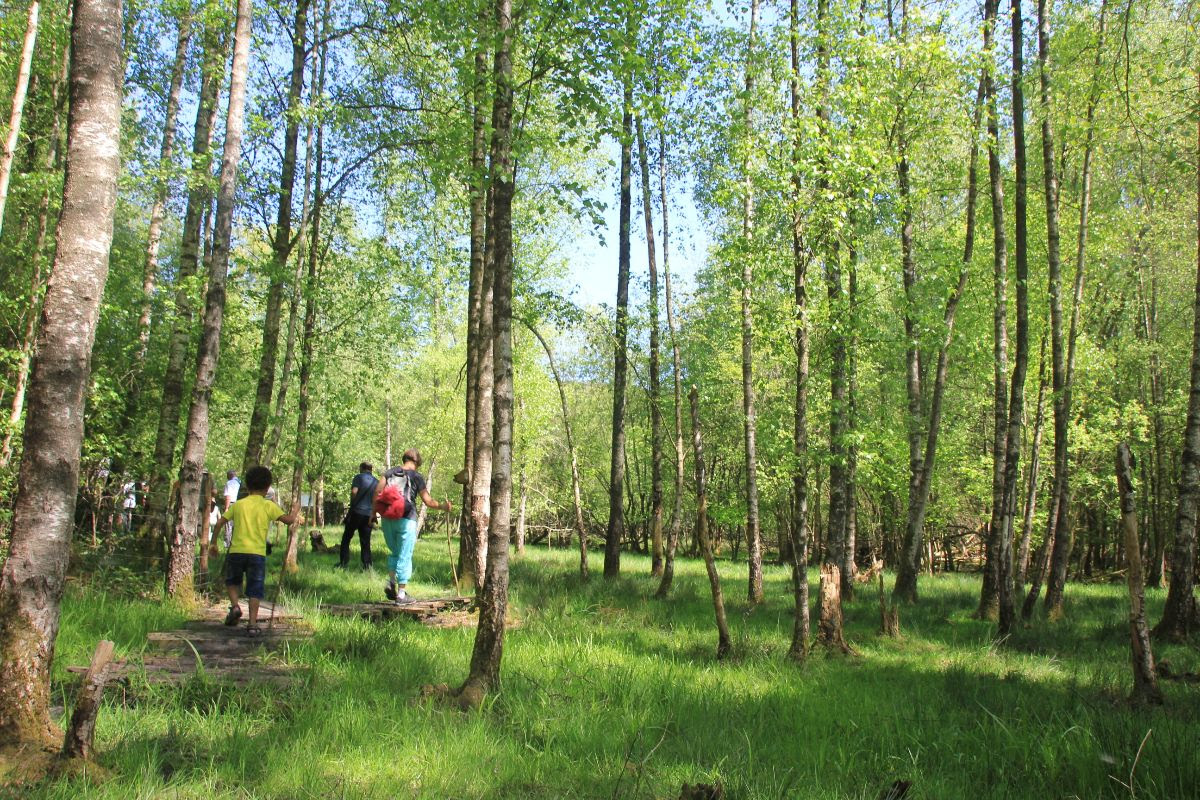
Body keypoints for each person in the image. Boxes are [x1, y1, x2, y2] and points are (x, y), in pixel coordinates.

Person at [219, 465, 302, 636]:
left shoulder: (239, 505)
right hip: (257, 553)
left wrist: (211, 544)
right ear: (267, 488)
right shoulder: (268, 506)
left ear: (247, 486)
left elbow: (221, 522)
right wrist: (295, 510)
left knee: (232, 582)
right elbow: (288, 520)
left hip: (236, 551)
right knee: (255, 588)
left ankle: (235, 606)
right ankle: (252, 624)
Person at [380, 448, 451, 604]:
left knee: (395, 552)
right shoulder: (417, 477)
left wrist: (373, 514)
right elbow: (427, 501)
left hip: (387, 518)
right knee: (405, 554)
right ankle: (401, 594)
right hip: (407, 519)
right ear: (417, 463)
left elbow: (377, 492)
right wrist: (443, 506)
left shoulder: (389, 473)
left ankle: (391, 582)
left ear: (404, 459)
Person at [339, 461, 378, 569]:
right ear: (371, 469)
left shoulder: (358, 477)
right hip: (369, 515)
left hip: (357, 512)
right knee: (365, 541)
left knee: (346, 538)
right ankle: (367, 567)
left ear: (362, 468)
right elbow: (377, 498)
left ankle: (343, 563)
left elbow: (354, 491)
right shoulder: (376, 481)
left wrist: (353, 503)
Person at [222, 469, 240, 548]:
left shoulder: (229, 483)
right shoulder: (240, 483)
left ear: (229, 475)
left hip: (231, 504)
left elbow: (228, 496)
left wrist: (226, 508)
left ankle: (228, 544)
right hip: (240, 504)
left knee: (228, 524)